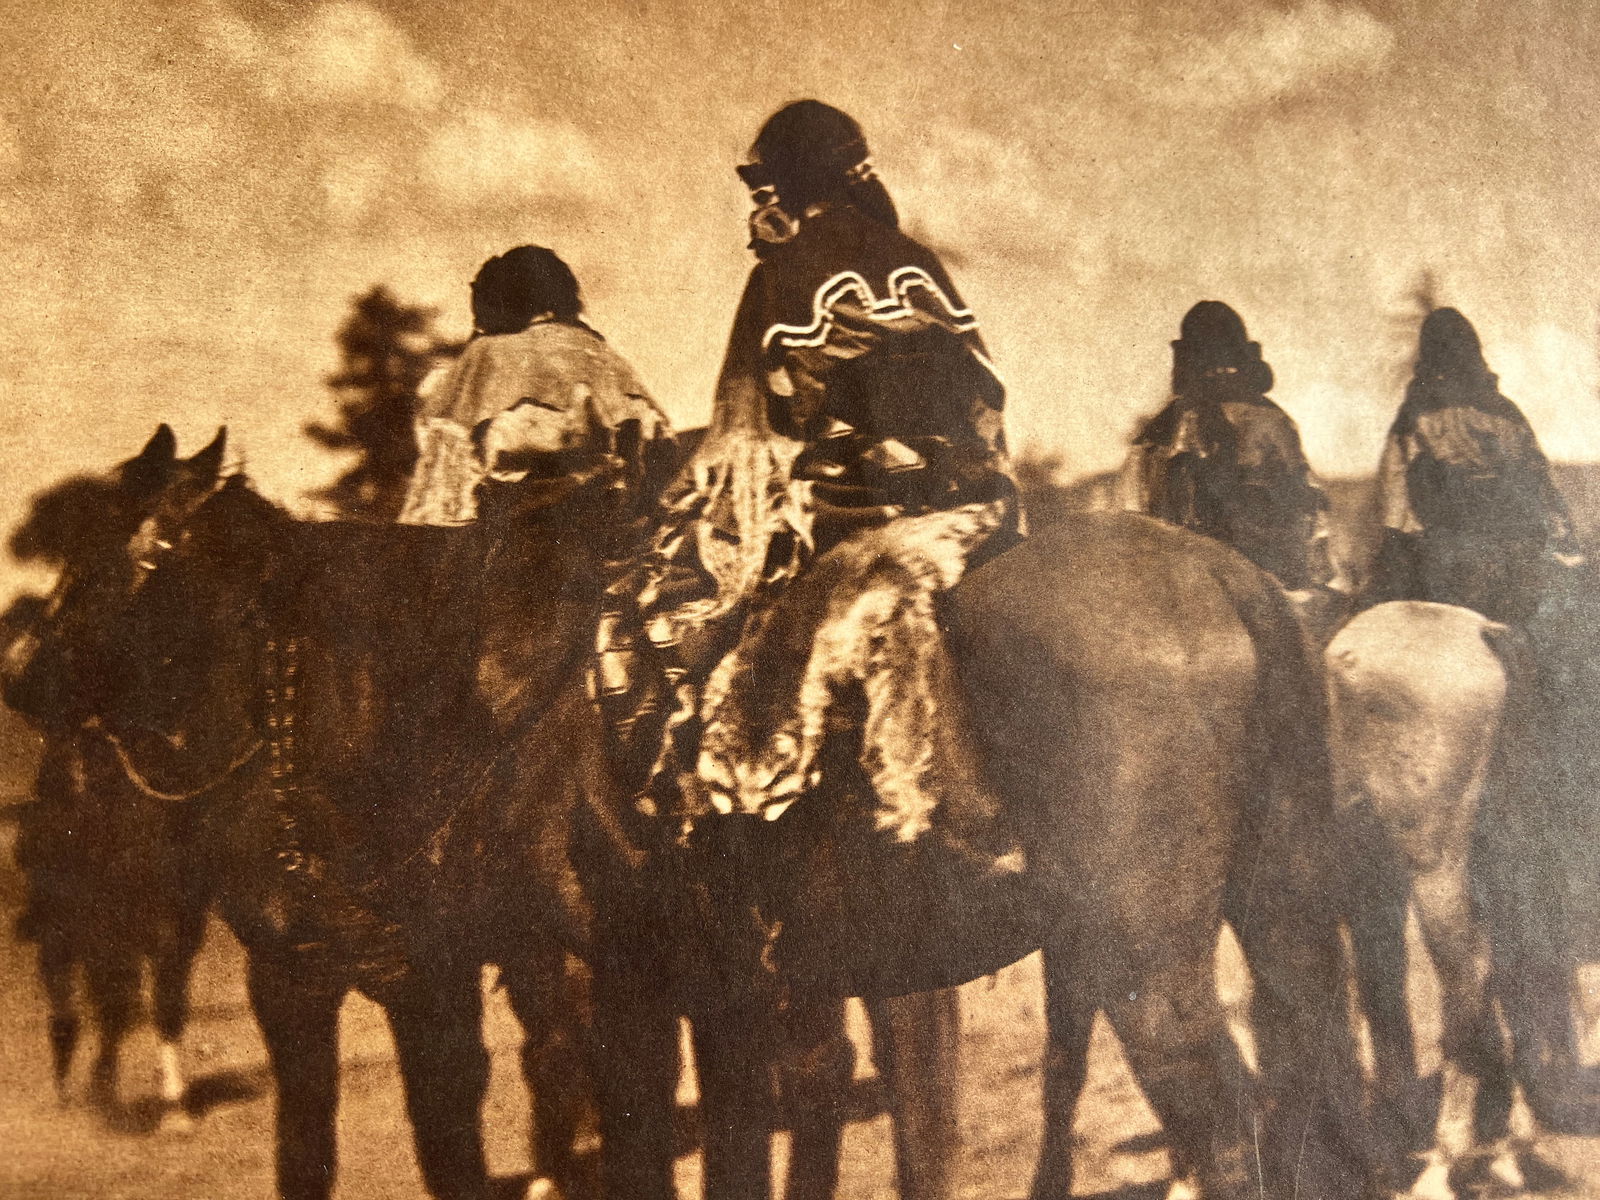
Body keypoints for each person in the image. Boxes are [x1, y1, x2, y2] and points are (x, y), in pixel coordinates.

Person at [597, 100, 1022, 864]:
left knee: (670, 604)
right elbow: (985, 405)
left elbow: (749, 443)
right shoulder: (920, 262)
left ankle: (713, 819)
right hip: (967, 504)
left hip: (847, 509)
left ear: (786, 184)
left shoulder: (784, 271)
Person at [1366, 306, 1582, 626]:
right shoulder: (1504, 411)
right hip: (1508, 553)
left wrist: (1393, 547)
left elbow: (1393, 490)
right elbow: (1539, 481)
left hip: (1450, 556)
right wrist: (1565, 541)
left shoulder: (1416, 413)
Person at [1121, 300, 1340, 596]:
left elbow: (1130, 517)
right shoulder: (1270, 420)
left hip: (1173, 589)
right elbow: (1309, 510)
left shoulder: (1158, 431)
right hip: (1264, 591)